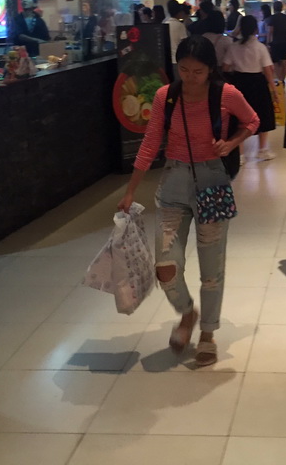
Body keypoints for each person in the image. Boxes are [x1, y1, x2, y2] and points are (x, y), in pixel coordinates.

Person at [116, 36, 258, 367]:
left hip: (212, 181)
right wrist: (130, 190)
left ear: (211, 70)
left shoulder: (226, 94)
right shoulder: (166, 97)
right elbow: (151, 143)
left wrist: (232, 142)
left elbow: (252, 121)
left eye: (197, 71)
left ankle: (207, 333)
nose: (190, 77)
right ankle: (186, 313)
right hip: (173, 184)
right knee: (165, 266)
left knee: (212, 269)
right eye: (184, 69)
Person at [223, 16, 277, 161]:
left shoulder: (233, 47)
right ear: (255, 29)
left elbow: (225, 67)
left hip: (239, 83)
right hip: (258, 83)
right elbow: (268, 71)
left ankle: (240, 154)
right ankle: (262, 150)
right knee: (262, 115)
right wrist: (274, 90)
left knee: (240, 117)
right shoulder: (260, 47)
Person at [266, 1, 286, 82]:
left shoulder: (272, 18)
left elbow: (270, 31)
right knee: (284, 60)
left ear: (274, 8)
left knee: (276, 62)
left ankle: (279, 79)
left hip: (275, 42)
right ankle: (283, 78)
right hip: (285, 41)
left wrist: (268, 43)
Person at [163, 0, 189, 66]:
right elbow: (185, 43)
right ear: (179, 12)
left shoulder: (164, 24)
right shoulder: (180, 25)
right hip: (177, 59)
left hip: (167, 59)